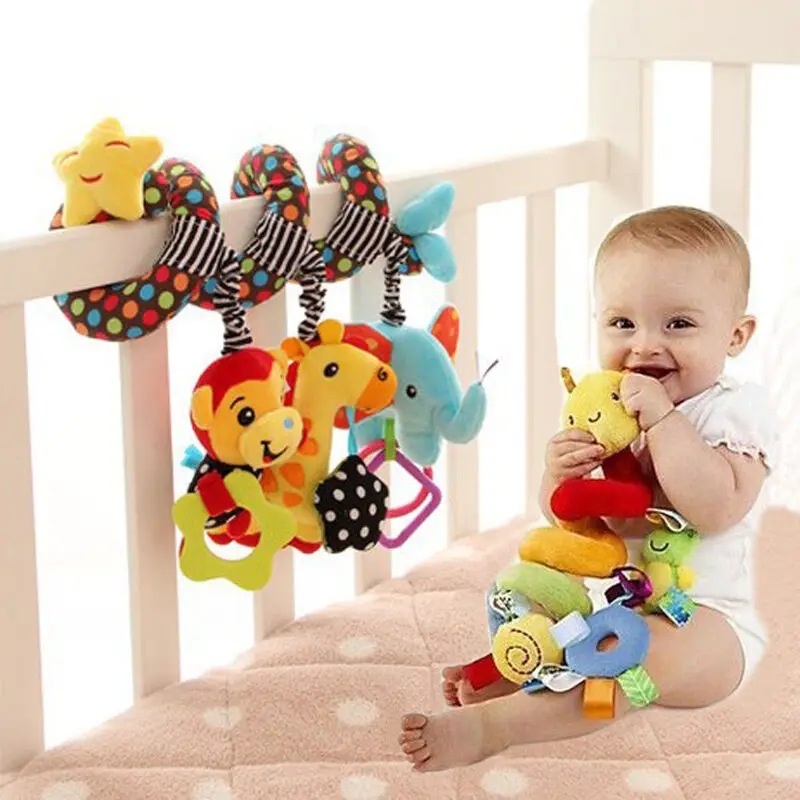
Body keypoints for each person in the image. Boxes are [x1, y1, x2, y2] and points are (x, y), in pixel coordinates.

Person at [398, 205, 780, 771]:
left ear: (736, 335)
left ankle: (495, 728)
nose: (645, 345)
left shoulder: (734, 411)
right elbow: (571, 523)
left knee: (638, 653)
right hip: (609, 602)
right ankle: (523, 662)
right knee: (549, 609)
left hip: (707, 623)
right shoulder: (609, 410)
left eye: (678, 324)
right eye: (623, 323)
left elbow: (717, 507)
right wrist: (559, 474)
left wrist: (664, 423)